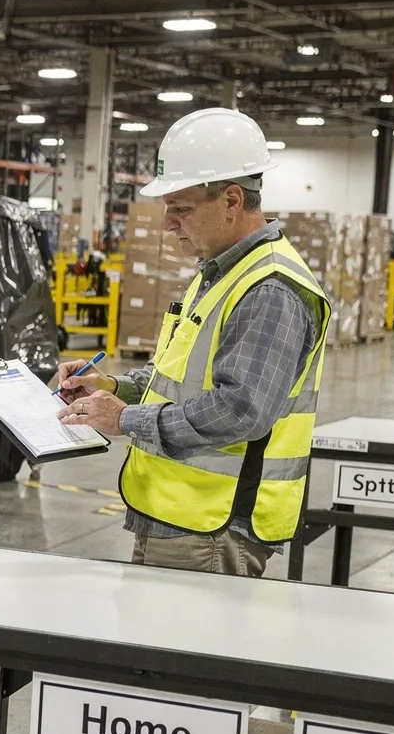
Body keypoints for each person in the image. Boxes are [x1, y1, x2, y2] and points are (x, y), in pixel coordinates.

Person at [55, 108, 331, 576]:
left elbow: (240, 410)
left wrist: (125, 419)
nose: (167, 224)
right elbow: (181, 377)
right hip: (175, 516)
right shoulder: (222, 271)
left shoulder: (270, 289)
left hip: (212, 528)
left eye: (181, 209)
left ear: (231, 200)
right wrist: (113, 387)